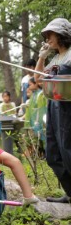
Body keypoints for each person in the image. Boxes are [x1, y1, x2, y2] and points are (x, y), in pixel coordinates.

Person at [34, 18, 71, 203]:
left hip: (68, 106)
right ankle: (70, 192)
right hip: (53, 105)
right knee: (52, 152)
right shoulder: (55, 58)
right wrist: (42, 57)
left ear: (62, 35)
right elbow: (38, 80)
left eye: (51, 35)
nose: (47, 38)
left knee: (68, 150)